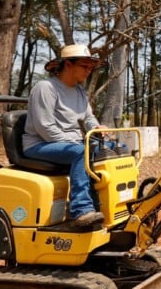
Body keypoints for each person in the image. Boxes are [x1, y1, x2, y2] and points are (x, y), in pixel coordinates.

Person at [22, 44, 106, 228]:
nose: (88, 71)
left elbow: (88, 117)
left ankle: (105, 204)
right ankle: (81, 211)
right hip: (40, 145)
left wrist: (97, 128)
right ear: (68, 64)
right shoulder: (46, 88)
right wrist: (79, 144)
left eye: (90, 68)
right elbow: (45, 128)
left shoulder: (79, 91)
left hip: (69, 144)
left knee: (114, 151)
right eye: (84, 66)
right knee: (80, 152)